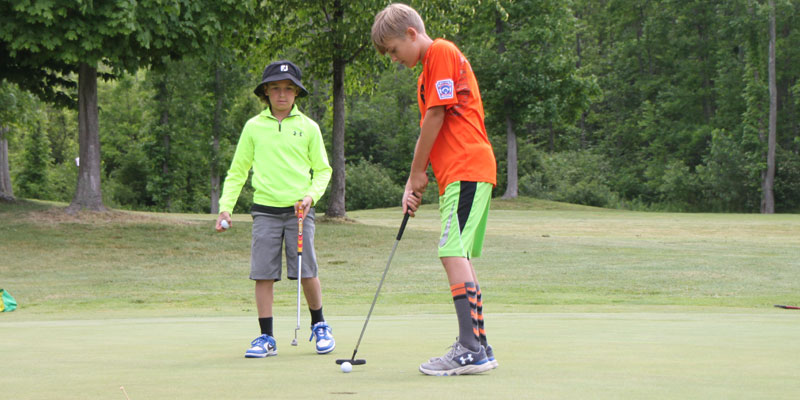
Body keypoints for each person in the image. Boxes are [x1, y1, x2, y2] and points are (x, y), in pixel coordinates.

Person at [372, 3, 498, 376]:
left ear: (411, 34)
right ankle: (480, 346)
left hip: (467, 167)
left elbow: (436, 115)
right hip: (459, 173)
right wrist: (423, 177)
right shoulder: (425, 76)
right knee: (459, 255)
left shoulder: (441, 51)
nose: (394, 59)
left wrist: (414, 174)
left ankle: (470, 348)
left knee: (451, 251)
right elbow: (435, 124)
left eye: (394, 50)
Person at [216, 60, 335, 358]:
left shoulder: (309, 127)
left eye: (288, 89)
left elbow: (323, 170)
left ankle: (319, 324)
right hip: (265, 211)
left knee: (307, 270)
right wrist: (225, 207)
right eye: (275, 89)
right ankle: (266, 336)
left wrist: (311, 197)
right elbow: (238, 170)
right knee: (263, 273)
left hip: (299, 211)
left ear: (296, 93)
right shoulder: (254, 127)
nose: (282, 94)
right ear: (266, 93)